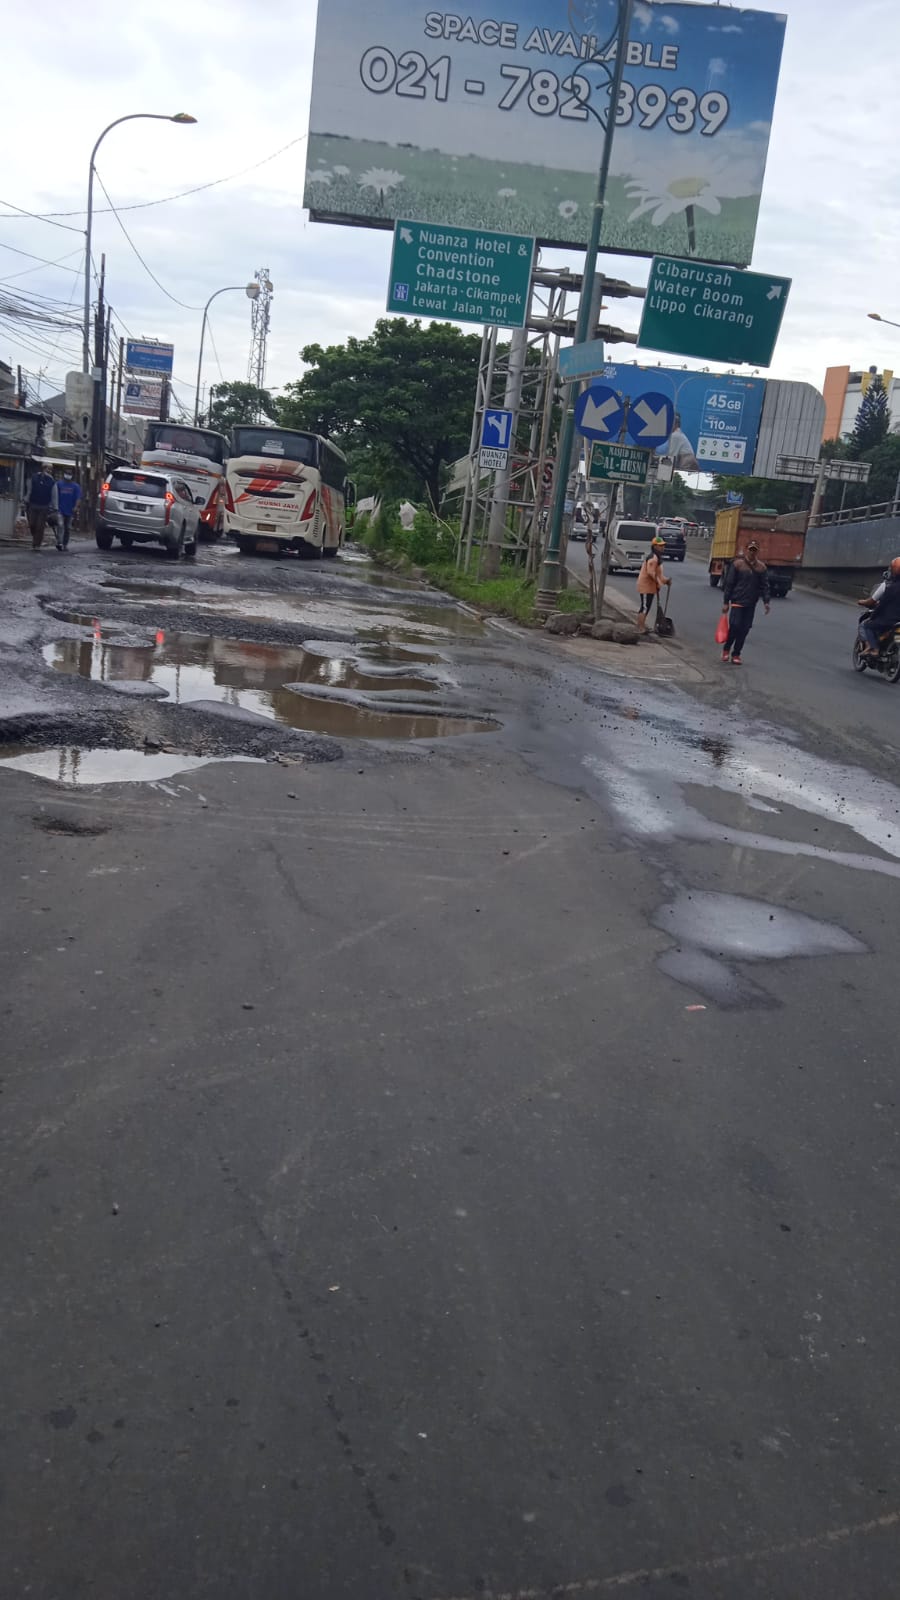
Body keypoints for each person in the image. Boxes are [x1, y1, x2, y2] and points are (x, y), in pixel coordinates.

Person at [721, 539, 770, 663]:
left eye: (754, 550)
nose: (752, 552)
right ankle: (726, 650)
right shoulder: (737, 564)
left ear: (757, 552)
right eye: (750, 549)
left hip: (750, 603)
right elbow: (729, 584)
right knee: (735, 626)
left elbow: (764, 586)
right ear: (746, 550)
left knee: (744, 629)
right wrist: (726, 602)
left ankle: (736, 654)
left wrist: (766, 602)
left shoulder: (761, 568)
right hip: (737, 601)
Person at [858, 558, 900, 657]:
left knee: (866, 625)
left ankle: (873, 648)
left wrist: (873, 616)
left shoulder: (890, 587)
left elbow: (882, 605)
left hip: (889, 621)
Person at [636, 535, 671, 630]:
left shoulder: (657, 558)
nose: (663, 547)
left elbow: (659, 575)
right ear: (655, 547)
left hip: (651, 587)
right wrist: (659, 582)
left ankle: (641, 626)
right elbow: (651, 572)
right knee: (644, 607)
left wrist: (666, 581)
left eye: (663, 545)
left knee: (646, 607)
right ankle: (640, 627)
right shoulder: (653, 558)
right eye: (660, 546)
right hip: (646, 586)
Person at [26, 466, 57, 550]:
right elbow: (29, 489)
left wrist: (55, 507)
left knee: (40, 526)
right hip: (33, 504)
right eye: (48, 469)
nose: (49, 471)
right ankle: (35, 539)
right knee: (32, 524)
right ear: (43, 469)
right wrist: (26, 500)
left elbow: (54, 495)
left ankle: (37, 545)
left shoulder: (51, 481)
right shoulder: (34, 477)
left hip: (44, 506)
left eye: (50, 470)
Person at [54, 470, 82, 551]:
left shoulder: (75, 486)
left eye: (70, 474)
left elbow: (78, 498)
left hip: (70, 510)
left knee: (67, 528)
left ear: (72, 475)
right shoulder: (59, 484)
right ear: (64, 474)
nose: (68, 475)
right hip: (60, 510)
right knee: (60, 525)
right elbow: (55, 495)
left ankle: (65, 544)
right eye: (67, 474)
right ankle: (59, 542)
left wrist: (76, 507)